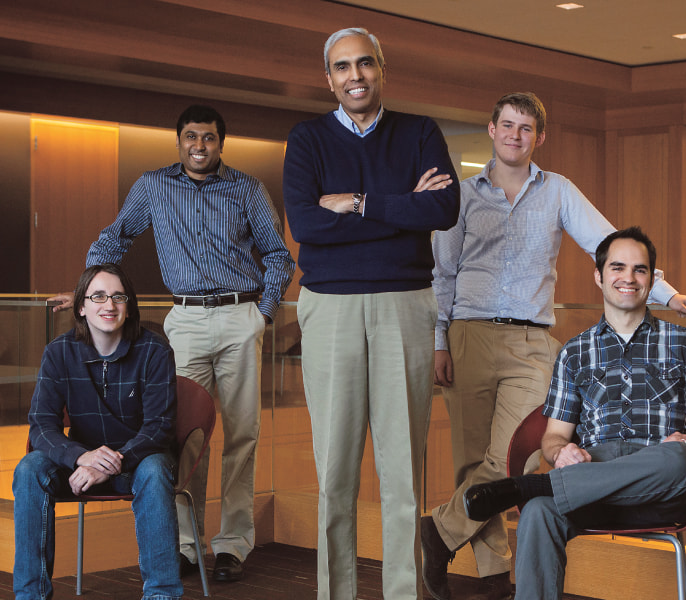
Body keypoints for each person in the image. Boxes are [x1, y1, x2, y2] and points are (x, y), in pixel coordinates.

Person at [422, 92, 686, 600]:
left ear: (540, 137)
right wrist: (440, 340)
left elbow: (610, 244)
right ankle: (493, 576)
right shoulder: (460, 197)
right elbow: (443, 274)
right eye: (507, 125)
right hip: (468, 334)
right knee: (470, 461)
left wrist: (667, 294)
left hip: (531, 342)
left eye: (526, 128)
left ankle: (439, 531)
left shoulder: (559, 191)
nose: (515, 135)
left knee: (515, 458)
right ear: (492, 129)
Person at [52, 104, 294, 583]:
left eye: (208, 138)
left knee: (242, 434)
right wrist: (87, 292)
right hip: (185, 319)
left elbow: (278, 255)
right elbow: (115, 238)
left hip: (240, 315)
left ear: (221, 143)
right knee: (183, 434)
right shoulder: (153, 186)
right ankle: (186, 544)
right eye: (191, 137)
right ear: (179, 141)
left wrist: (262, 314)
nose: (199, 146)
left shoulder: (246, 188)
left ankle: (233, 545)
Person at [461, 227, 686, 600]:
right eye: (617, 267)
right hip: (590, 482)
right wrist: (561, 452)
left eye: (640, 269)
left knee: (680, 459)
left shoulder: (683, 343)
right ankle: (545, 490)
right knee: (539, 513)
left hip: (661, 481)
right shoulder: (574, 352)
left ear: (652, 280)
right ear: (599, 276)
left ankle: (534, 486)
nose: (628, 278)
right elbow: (553, 436)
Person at [281, 26, 460, 600]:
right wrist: (402, 209)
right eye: (342, 67)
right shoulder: (307, 139)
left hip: (405, 306)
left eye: (364, 63)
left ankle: (403, 593)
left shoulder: (419, 131)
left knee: (403, 469)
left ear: (382, 69)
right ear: (328, 78)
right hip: (330, 308)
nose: (354, 76)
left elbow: (443, 208)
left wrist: (356, 204)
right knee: (334, 469)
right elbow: (306, 225)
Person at [15, 264, 181, 600]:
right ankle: (30, 596)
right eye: (99, 297)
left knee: (155, 469)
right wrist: (82, 457)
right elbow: (42, 424)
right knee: (29, 468)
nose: (110, 305)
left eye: (119, 297)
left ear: (129, 306)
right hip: (80, 465)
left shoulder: (155, 351)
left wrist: (112, 462)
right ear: (81, 306)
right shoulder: (59, 352)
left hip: (137, 462)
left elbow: (159, 427)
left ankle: (162, 595)